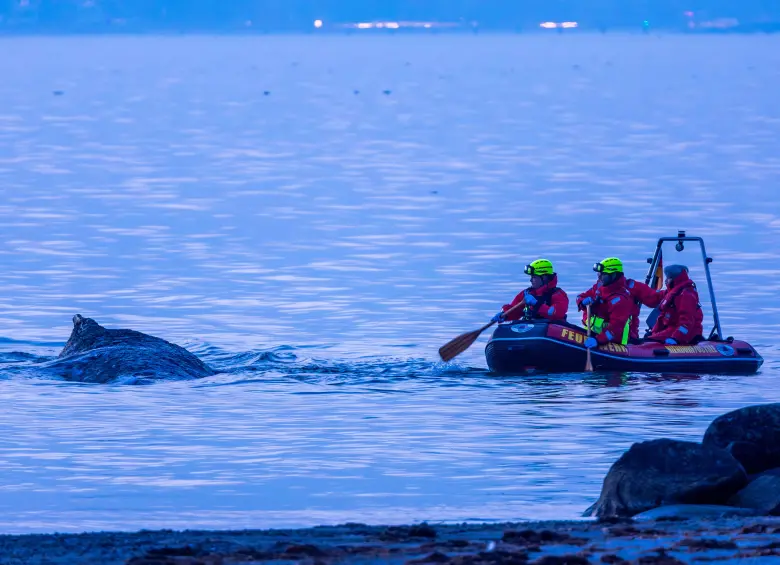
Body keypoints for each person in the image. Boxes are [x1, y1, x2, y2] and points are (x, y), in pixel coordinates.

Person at [576, 257, 634, 348]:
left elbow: (615, 328)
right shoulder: (599, 287)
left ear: (614, 275)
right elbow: (580, 296)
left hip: (614, 343)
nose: (599, 276)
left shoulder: (620, 300)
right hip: (592, 334)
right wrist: (582, 302)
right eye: (599, 273)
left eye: (603, 274)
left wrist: (598, 340)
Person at [491, 259, 569, 323]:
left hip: (550, 330)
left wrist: (537, 304)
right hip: (529, 329)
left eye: (534, 277)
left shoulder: (558, 295)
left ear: (544, 277)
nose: (531, 280)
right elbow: (515, 310)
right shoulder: (526, 294)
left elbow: (555, 314)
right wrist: (505, 314)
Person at [646, 264, 704, 345]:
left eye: (668, 278)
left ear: (675, 279)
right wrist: (653, 332)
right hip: (672, 329)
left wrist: (676, 338)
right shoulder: (672, 293)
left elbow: (687, 322)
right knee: (648, 340)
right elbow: (662, 316)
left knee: (650, 342)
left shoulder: (686, 295)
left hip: (687, 334)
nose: (666, 281)